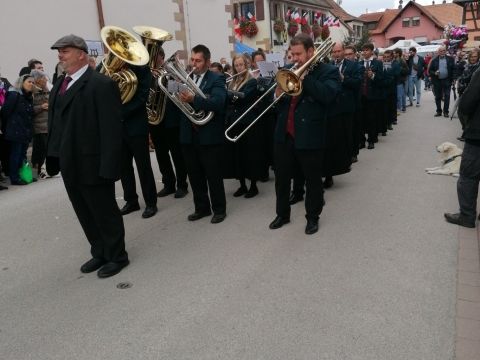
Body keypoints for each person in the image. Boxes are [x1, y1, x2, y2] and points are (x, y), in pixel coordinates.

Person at [47, 34, 129, 278]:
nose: (60, 55)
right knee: (84, 211)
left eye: (65, 50)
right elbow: (56, 124)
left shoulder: (100, 84)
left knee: (104, 211)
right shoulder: (60, 85)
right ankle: (100, 251)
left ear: (81, 54)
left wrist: (109, 165)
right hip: (68, 161)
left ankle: (117, 256)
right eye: (59, 51)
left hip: (92, 162)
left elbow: (112, 130)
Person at [269, 34, 340, 235]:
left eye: (299, 54)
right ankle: (282, 214)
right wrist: (276, 94)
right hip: (284, 134)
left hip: (310, 134)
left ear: (311, 52)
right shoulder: (288, 71)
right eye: (293, 54)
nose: (295, 59)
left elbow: (328, 96)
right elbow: (279, 106)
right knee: (281, 179)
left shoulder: (328, 71)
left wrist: (304, 78)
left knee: (312, 180)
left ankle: (312, 217)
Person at [178, 44, 227, 224]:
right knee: (195, 174)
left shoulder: (217, 79)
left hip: (208, 135)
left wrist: (195, 99)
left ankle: (219, 209)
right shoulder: (186, 78)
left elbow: (218, 102)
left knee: (213, 175)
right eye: (192, 60)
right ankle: (202, 208)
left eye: (198, 60)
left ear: (207, 61)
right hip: (188, 135)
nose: (194, 64)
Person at [117, 62, 158, 219]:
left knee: (143, 165)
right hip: (119, 127)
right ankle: (131, 201)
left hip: (136, 124)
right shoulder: (111, 66)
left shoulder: (141, 68)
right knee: (123, 166)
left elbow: (142, 96)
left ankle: (151, 202)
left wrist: (120, 112)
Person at [149, 48, 188, 199]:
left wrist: (172, 83)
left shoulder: (170, 71)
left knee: (177, 154)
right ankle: (168, 184)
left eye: (155, 57)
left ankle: (182, 185)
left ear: (162, 57)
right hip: (155, 120)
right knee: (161, 154)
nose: (152, 60)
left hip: (171, 119)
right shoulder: (147, 74)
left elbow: (180, 91)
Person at [323, 42, 363, 188]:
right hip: (332, 107)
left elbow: (358, 83)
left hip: (346, 106)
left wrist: (343, 78)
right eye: (334, 52)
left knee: (347, 133)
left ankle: (348, 157)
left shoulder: (353, 66)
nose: (336, 54)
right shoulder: (327, 65)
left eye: (339, 51)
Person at [444, 68, 480, 228]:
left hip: (478, 134)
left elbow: (466, 103)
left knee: (468, 175)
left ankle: (467, 216)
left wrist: (467, 123)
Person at [225, 53, 264, 198]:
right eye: (236, 65)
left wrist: (230, 95)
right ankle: (242, 185)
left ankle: (253, 186)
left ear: (246, 65)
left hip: (247, 121)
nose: (239, 67)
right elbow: (230, 99)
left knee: (250, 154)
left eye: (241, 64)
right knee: (237, 155)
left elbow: (244, 98)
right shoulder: (232, 81)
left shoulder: (251, 81)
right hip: (234, 121)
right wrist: (230, 95)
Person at [0, 74, 34, 185]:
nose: (31, 84)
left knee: (23, 155)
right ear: (22, 83)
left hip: (25, 130)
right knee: (15, 154)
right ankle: (14, 178)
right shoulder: (14, 95)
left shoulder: (28, 96)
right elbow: (5, 112)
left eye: (32, 82)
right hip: (15, 130)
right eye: (29, 82)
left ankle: (25, 175)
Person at [359, 43, 384, 150]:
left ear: (371, 51)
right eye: (363, 50)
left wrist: (373, 76)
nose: (364, 52)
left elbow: (381, 79)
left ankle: (371, 140)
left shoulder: (377, 63)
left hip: (372, 95)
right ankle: (361, 141)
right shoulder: (359, 63)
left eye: (366, 50)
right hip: (361, 95)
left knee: (371, 118)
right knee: (361, 119)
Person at [30, 70, 50, 179]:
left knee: (45, 149)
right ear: (37, 80)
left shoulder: (46, 90)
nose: (46, 80)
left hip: (48, 125)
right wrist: (41, 107)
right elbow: (28, 109)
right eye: (43, 78)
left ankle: (45, 170)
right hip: (38, 127)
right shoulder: (32, 93)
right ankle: (36, 172)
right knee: (39, 150)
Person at [429, 46, 455, 118]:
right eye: (441, 51)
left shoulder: (450, 59)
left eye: (444, 50)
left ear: (446, 51)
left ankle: (446, 112)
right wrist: (435, 73)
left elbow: (453, 69)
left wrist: (454, 79)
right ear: (438, 52)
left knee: (447, 96)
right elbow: (430, 70)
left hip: (447, 80)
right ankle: (439, 111)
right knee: (438, 97)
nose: (442, 52)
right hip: (437, 81)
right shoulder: (434, 60)